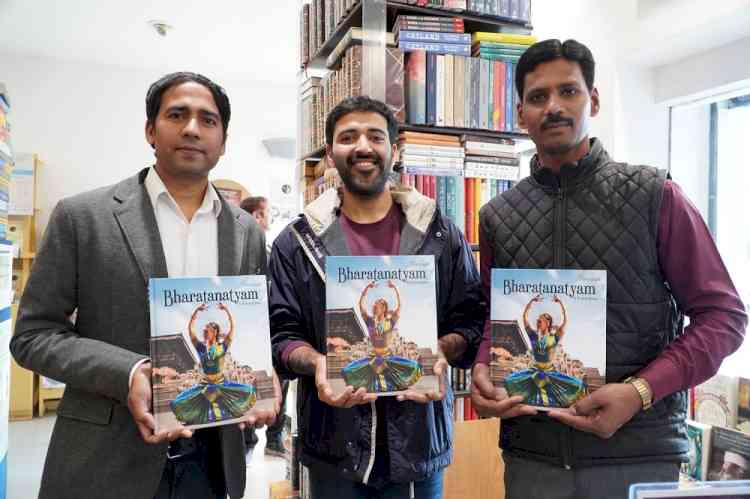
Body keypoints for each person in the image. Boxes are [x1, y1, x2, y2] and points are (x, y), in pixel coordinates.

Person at [471, 39, 747, 499]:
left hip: (635, 455)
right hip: (532, 460)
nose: (554, 107)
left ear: (593, 100)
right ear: (520, 114)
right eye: (538, 97)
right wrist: (483, 370)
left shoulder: (655, 195)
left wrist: (639, 391)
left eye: (569, 92)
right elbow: (493, 322)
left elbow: (724, 319)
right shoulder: (498, 215)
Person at [10, 71, 279, 499]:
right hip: (107, 460)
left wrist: (264, 375)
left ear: (223, 142)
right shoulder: (83, 218)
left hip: (211, 465)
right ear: (151, 131)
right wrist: (129, 373)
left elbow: (250, 329)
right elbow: (33, 336)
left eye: (208, 120)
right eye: (177, 115)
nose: (192, 128)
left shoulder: (247, 232)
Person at [269, 96, 485, 498]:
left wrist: (438, 349)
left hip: (418, 447)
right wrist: (318, 363)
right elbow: (280, 335)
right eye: (348, 137)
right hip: (334, 446)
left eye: (375, 136)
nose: (363, 146)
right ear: (331, 155)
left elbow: (472, 322)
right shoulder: (296, 243)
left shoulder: (440, 233)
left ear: (394, 150)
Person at [239, 194, 289, 457]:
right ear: (257, 215)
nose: (269, 218)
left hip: (271, 333)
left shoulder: (269, 249)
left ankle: (271, 438)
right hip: (253, 335)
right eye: (267, 212)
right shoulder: (242, 249)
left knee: (279, 387)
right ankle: (250, 440)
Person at [171, 303, 257, 425]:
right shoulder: (200, 347)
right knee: (177, 402)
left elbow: (232, 328)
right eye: (204, 329)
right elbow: (190, 331)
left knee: (248, 391)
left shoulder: (223, 347)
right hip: (204, 384)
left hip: (221, 383)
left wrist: (226, 310)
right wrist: (196, 312)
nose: (204, 331)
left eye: (207, 329)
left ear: (215, 332)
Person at [504, 294, 584, 408]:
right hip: (534, 372)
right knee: (509, 381)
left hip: (550, 373)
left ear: (547, 323)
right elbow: (524, 318)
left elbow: (565, 321)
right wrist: (531, 302)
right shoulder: (533, 336)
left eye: (540, 321)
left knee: (578, 385)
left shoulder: (554, 337)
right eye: (537, 321)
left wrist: (561, 304)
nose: (537, 322)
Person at [342, 280, 422, 392]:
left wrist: (395, 289)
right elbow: (360, 306)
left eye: (377, 305)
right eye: (374, 305)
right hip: (372, 356)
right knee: (347, 370)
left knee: (413, 366)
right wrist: (366, 289)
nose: (374, 306)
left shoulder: (390, 321)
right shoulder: (369, 321)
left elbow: (399, 306)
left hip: (388, 356)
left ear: (384, 308)